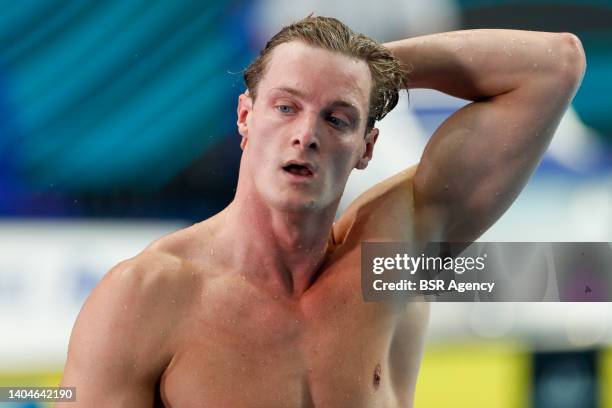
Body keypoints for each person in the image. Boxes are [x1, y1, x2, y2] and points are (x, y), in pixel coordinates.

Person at [57, 16, 585, 407]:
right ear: (245, 117)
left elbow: (555, 65)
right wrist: (337, 77)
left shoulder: (390, 260)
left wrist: (362, 70)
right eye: (286, 106)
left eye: (336, 117)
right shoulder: (148, 296)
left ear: (366, 148)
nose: (305, 135)